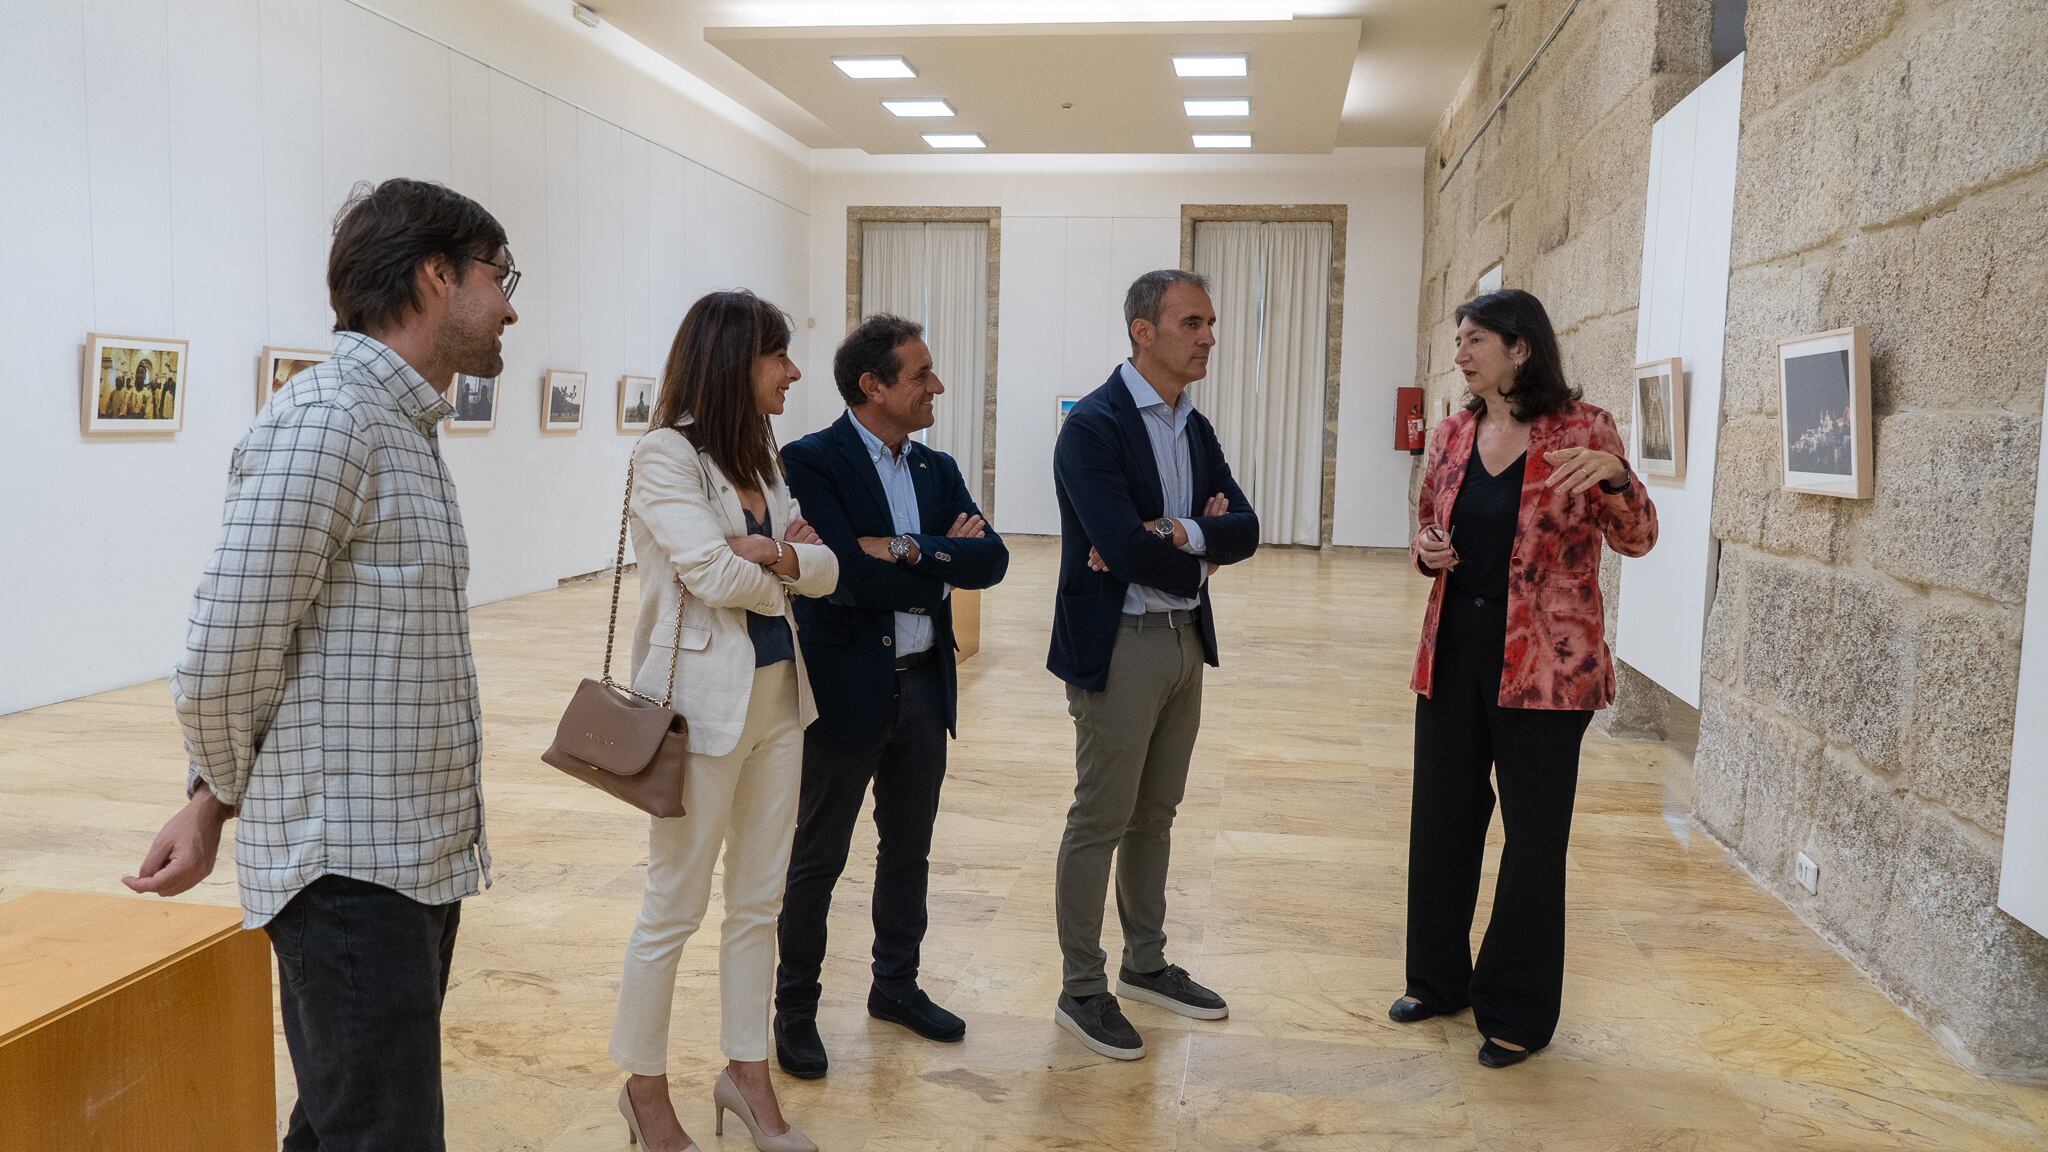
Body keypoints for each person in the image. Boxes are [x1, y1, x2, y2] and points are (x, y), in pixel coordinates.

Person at [121, 177, 521, 1150]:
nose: (511, 306)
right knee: (379, 1134)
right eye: (499, 277)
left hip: (410, 859)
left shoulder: (404, 426)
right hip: (348, 872)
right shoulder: (329, 420)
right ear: (434, 276)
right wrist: (216, 789)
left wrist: (211, 800)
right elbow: (223, 654)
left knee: (345, 1123)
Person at [1394, 288, 1658, 1068]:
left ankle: (1516, 1008)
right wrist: (1429, 550)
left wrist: (1618, 478)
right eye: (1459, 341)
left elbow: (1637, 539)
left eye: (1474, 340)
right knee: (1441, 819)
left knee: (1533, 840)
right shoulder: (1450, 433)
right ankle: (1437, 980)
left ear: (1521, 349)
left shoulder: (1586, 430)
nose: (1460, 353)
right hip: (1453, 650)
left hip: (1549, 670)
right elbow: (1427, 528)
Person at [609, 289, 838, 1152]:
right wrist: (786, 561)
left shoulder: (762, 457)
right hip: (703, 712)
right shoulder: (665, 455)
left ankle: (747, 1075)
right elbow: (709, 570)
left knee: (757, 902)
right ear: (734, 362)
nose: (793, 370)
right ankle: (644, 1088)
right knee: (673, 903)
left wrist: (777, 553)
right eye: (778, 355)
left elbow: (828, 569)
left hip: (782, 702)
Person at [771, 314, 1011, 1079]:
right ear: (873, 385)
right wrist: (942, 559)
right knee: (818, 857)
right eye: (921, 374)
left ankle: (895, 987)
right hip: (845, 692)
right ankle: (795, 1010)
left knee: (908, 851)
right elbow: (843, 574)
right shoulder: (811, 459)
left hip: (925, 693)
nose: (937, 385)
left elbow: (993, 560)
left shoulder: (935, 469)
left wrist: (909, 548)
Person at [1046, 269, 1259, 1060]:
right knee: (1099, 818)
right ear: (1145, 332)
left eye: (1210, 322)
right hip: (1119, 645)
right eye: (1194, 322)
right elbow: (1121, 544)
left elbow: (1246, 525)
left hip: (1183, 643)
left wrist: (1182, 540)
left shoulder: (1193, 428)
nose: (1209, 336)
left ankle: (1145, 963)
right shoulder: (1093, 428)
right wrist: (1192, 547)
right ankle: (1082, 989)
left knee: (1156, 815)